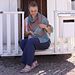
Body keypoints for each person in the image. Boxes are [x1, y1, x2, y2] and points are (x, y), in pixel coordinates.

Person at [20, 1, 53, 73]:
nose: (34, 12)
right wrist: (28, 32)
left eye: (35, 10)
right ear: (29, 10)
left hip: (44, 41)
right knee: (21, 42)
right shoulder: (26, 20)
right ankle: (34, 62)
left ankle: (28, 65)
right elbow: (25, 34)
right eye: (32, 11)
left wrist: (45, 26)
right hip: (32, 41)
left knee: (30, 41)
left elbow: (51, 30)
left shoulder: (42, 18)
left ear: (37, 10)